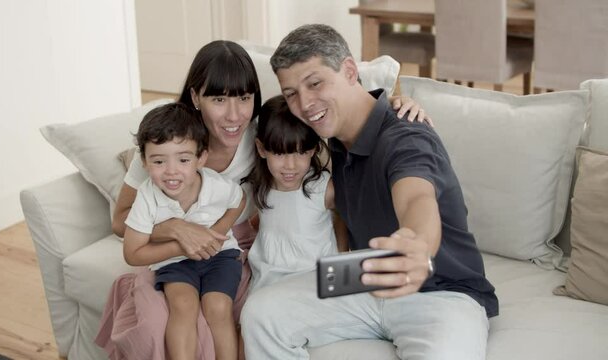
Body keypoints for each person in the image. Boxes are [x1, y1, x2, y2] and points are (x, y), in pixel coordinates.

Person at [95, 39, 431, 360]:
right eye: (218, 100)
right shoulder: (169, 148)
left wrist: (397, 105)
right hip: (171, 250)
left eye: (244, 98)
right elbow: (120, 220)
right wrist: (176, 228)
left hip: (233, 250)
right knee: (157, 325)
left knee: (222, 319)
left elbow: (337, 109)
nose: (233, 116)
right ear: (196, 97)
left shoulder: (264, 136)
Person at [240, 24, 498, 360]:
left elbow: (417, 197)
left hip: (441, 290)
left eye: (315, 83)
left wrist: (419, 245)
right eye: (291, 93)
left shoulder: (408, 138)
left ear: (349, 71)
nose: (303, 104)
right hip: (361, 274)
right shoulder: (330, 135)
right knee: (259, 314)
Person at [123, 102, 245, 359]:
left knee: (218, 306)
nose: (171, 171)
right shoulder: (147, 196)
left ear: (201, 158)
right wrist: (182, 247)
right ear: (144, 161)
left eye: (183, 159)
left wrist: (215, 234)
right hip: (174, 262)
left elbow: (240, 201)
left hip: (220, 257)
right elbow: (133, 254)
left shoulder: (218, 186)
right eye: (158, 161)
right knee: (183, 306)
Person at [244, 95, 346, 293]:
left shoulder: (322, 188)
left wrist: (340, 256)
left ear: (314, 149)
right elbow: (273, 218)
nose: (290, 166)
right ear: (262, 149)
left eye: (300, 153)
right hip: (268, 278)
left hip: (312, 278)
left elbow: (343, 215)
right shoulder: (261, 185)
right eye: (280, 154)